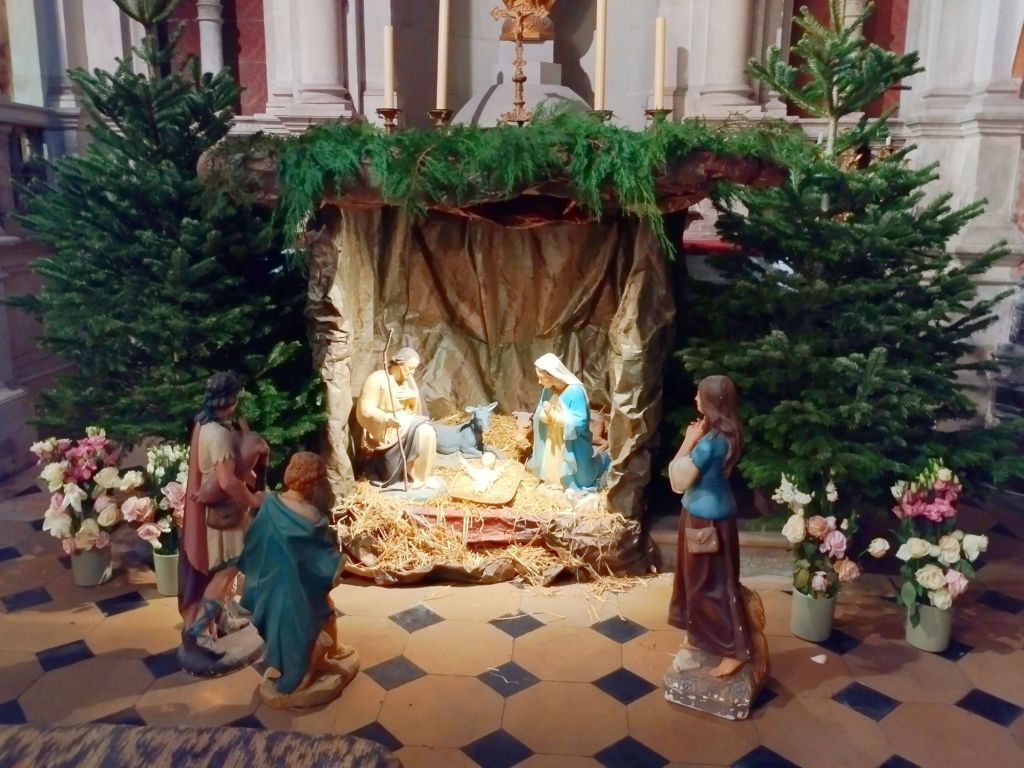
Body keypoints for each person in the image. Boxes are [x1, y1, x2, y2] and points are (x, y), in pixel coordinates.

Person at [238, 452, 357, 701]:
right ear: (314, 482)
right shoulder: (312, 516)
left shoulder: (270, 504)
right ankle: (306, 671)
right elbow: (319, 559)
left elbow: (254, 542)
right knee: (317, 619)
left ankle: (325, 655)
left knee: (301, 621)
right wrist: (336, 565)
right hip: (300, 588)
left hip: (271, 585)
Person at [667, 374, 752, 678]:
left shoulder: (710, 443)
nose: (695, 399)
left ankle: (734, 650)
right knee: (702, 582)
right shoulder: (729, 433)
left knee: (707, 586)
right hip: (710, 515)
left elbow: (678, 480)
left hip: (705, 520)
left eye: (699, 395)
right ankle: (698, 636)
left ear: (712, 402)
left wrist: (688, 441)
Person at [179, 372, 266, 658]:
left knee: (225, 572)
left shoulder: (205, 424)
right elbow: (227, 482)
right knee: (225, 571)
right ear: (230, 399)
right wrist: (252, 499)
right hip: (222, 515)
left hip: (215, 510)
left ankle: (221, 619)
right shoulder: (218, 435)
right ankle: (199, 631)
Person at [356, 347, 440, 489]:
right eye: (410, 368)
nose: (412, 372)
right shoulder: (377, 379)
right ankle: (406, 473)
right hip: (386, 428)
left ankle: (421, 476)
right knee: (425, 432)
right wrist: (386, 419)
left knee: (428, 432)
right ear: (400, 364)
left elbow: (412, 410)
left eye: (414, 369)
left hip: (405, 421)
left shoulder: (407, 380)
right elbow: (365, 409)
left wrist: (412, 397)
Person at [526, 353, 606, 492]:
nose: (539, 382)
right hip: (552, 438)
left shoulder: (575, 391)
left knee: (579, 475)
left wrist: (556, 418)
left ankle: (569, 482)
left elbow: (580, 422)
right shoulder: (548, 389)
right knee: (551, 463)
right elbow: (540, 411)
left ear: (551, 374)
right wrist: (545, 416)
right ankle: (553, 481)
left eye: (541, 378)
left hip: (571, 443)